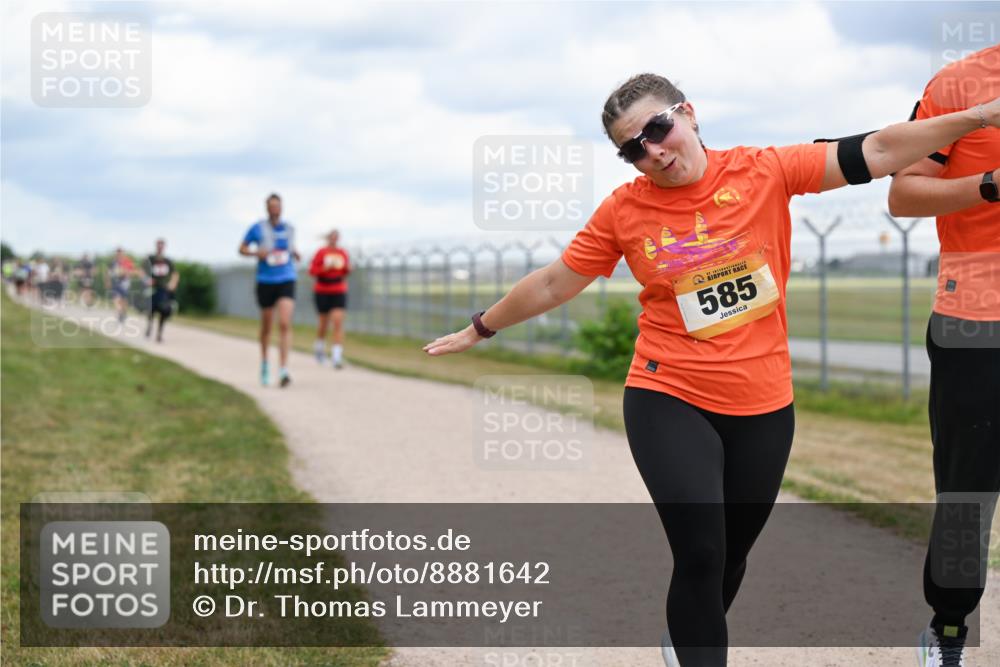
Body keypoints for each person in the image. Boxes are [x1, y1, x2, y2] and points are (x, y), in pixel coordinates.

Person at [424, 73, 1000, 667]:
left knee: (729, 556)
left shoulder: (765, 170)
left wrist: (979, 115)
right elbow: (553, 283)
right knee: (700, 551)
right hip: (667, 392)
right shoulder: (625, 210)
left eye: (657, 128)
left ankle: (686, 638)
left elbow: (878, 150)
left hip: (764, 402)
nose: (652, 151)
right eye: (632, 148)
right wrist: (481, 327)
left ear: (689, 114)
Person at [888, 44, 999, 667]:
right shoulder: (960, 83)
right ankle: (949, 629)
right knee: (968, 494)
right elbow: (904, 194)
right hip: (977, 320)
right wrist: (990, 185)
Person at [239, 193, 299, 387]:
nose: (275, 209)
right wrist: (256, 253)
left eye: (277, 206)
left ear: (282, 208)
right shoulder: (257, 228)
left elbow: (289, 249)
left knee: (284, 323)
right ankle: (265, 364)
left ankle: (283, 369)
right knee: (267, 326)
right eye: (272, 206)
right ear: (267, 208)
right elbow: (241, 248)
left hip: (286, 278)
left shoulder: (289, 228)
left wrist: (295, 253)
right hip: (266, 280)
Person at [308, 229, 350, 368]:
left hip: (338, 289)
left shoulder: (342, 253)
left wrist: (348, 268)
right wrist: (325, 268)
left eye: (336, 237)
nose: (334, 240)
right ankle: (319, 348)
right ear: (328, 238)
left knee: (337, 322)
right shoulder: (321, 252)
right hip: (322, 290)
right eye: (332, 237)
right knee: (324, 323)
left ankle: (336, 356)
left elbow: (345, 270)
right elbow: (312, 271)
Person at [142, 239, 180, 343]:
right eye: (159, 245)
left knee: (165, 310)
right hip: (153, 289)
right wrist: (147, 280)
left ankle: (159, 333)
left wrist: (172, 284)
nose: (160, 247)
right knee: (150, 310)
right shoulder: (150, 259)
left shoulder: (168, 261)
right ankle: (149, 326)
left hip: (163, 289)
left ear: (164, 247)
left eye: (162, 245)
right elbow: (142, 271)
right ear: (156, 246)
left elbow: (175, 274)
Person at [107, 248, 137, 323]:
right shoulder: (113, 262)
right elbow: (108, 272)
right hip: (115, 283)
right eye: (118, 253)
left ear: (123, 253)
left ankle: (124, 312)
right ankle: (120, 312)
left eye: (120, 253)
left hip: (124, 283)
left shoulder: (127, 261)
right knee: (115, 299)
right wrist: (108, 281)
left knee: (123, 300)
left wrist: (125, 272)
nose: (119, 255)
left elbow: (133, 271)